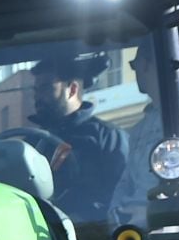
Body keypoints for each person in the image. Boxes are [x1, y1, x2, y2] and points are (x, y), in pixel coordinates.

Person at [20, 53, 127, 227]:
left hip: (91, 234)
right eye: (36, 90)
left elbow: (123, 194)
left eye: (46, 88)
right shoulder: (28, 145)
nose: (38, 97)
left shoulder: (107, 137)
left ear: (72, 89)